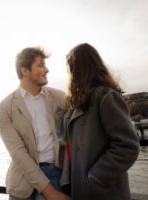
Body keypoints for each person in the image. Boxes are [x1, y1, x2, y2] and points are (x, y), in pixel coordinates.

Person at [60, 43, 140, 200]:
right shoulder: (79, 103)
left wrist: (95, 177)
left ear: (78, 68)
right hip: (81, 189)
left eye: (70, 67)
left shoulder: (106, 97)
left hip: (102, 192)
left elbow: (128, 146)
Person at [0, 47, 70, 200]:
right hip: (22, 183)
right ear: (25, 71)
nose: (47, 69)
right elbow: (18, 154)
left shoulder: (60, 98)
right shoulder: (5, 107)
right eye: (41, 65)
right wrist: (50, 192)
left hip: (56, 175)